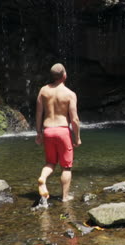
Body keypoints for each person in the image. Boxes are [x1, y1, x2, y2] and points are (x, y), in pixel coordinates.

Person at [35, 63, 81, 207]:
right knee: (66, 167)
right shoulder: (69, 94)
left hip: (48, 130)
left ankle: (42, 178)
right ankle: (65, 197)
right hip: (62, 131)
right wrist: (77, 137)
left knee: (50, 162)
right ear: (64, 75)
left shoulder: (43, 90)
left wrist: (38, 132)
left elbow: (39, 113)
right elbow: (74, 119)